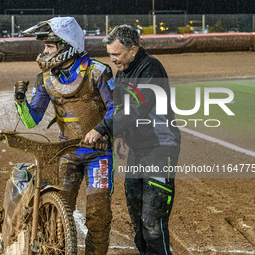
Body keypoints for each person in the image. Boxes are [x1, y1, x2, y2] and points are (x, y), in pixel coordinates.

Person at [14, 17, 115, 255]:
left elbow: (118, 108)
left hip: (98, 154)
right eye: (45, 47)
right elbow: (32, 120)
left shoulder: (98, 72)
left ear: (67, 45)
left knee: (98, 216)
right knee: (56, 213)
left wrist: (98, 129)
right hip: (66, 154)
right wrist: (20, 102)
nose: (45, 52)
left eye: (50, 46)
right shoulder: (46, 78)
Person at [85, 25, 181, 255]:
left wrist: (102, 128)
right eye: (110, 55)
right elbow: (121, 106)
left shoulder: (151, 69)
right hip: (138, 149)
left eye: (116, 54)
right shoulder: (124, 71)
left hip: (161, 147)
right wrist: (120, 135)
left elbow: (135, 110)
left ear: (133, 50)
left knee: (152, 222)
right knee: (137, 218)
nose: (112, 60)